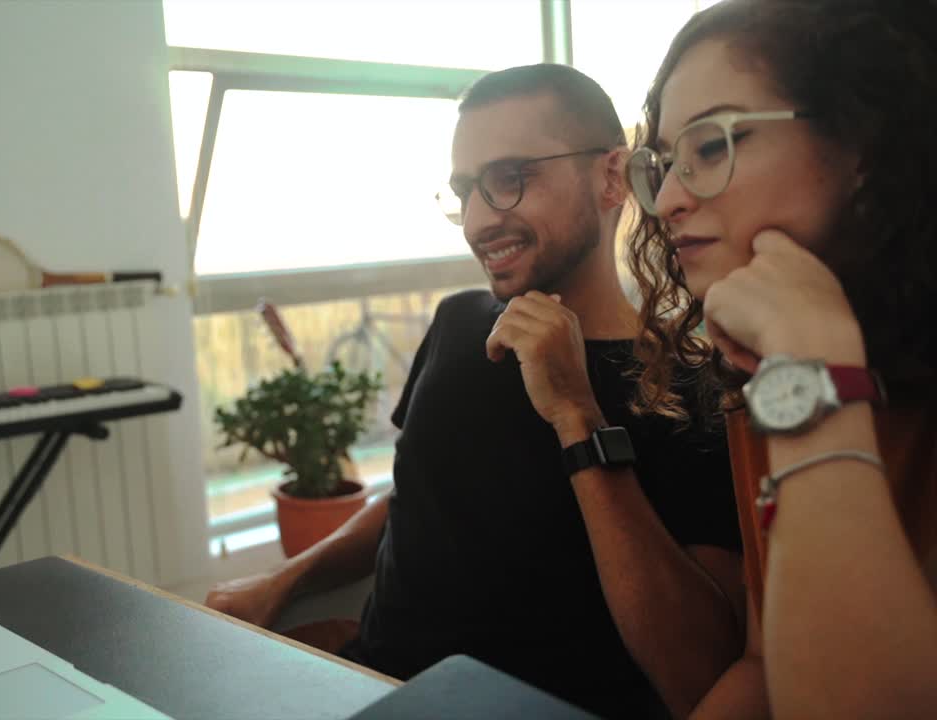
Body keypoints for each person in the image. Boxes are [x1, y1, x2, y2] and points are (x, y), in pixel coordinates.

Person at [207, 64, 744, 719]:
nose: (479, 220)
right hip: (372, 693)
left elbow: (699, 674)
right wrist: (278, 582)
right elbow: (416, 496)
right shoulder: (460, 324)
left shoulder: (693, 388)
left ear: (610, 176)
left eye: (510, 179)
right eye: (466, 190)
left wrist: (577, 413)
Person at [624, 0, 937, 716]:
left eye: (710, 147)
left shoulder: (795, 366)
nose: (667, 199)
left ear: (865, 145)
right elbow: (768, 664)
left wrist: (812, 369)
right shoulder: (763, 370)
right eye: (665, 163)